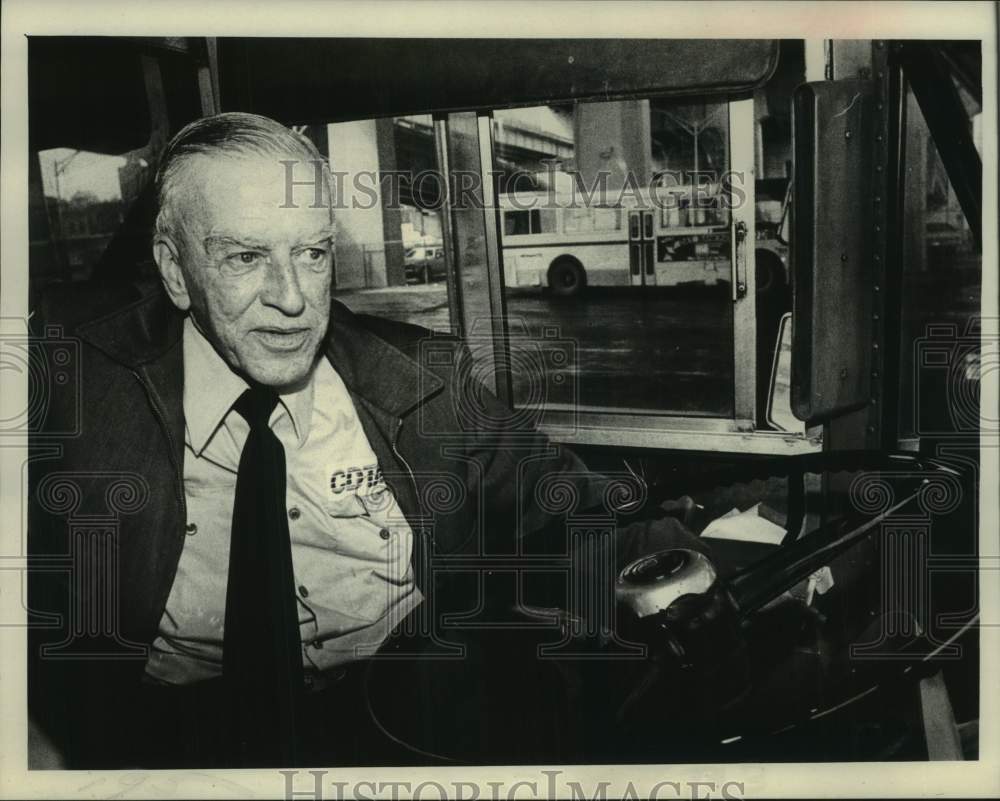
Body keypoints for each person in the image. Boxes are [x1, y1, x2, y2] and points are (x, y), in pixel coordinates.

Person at [27, 112, 706, 769]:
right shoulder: (73, 390)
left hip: (399, 719)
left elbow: (573, 513)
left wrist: (701, 561)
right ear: (176, 272)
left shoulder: (422, 381)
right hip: (177, 742)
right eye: (246, 256)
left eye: (312, 253)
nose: (292, 298)